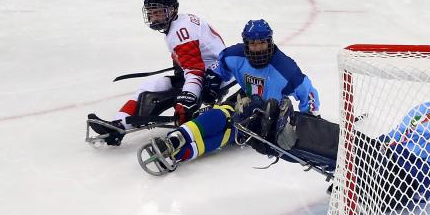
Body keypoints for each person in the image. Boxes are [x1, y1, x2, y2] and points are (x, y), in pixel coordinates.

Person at [138, 84, 430, 215]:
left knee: (345, 144)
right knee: (347, 147)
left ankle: (286, 127)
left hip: (414, 178)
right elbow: (397, 138)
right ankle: (269, 136)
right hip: (392, 163)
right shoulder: (428, 110)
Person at [134, 19, 320, 169]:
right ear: (246, 44)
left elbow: (309, 94)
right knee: (229, 131)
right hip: (246, 100)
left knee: (227, 119)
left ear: (270, 42)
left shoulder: (285, 68)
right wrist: (212, 83)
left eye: (262, 43)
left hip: (269, 117)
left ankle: (176, 140)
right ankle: (179, 152)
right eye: (253, 44)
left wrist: (308, 119)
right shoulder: (234, 55)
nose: (258, 48)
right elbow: (219, 67)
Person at [86, 0, 226, 145]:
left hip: (213, 78)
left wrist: (188, 98)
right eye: (151, 13)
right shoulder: (179, 23)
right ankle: (118, 124)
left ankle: (121, 125)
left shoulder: (180, 31)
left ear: (172, 10)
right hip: (207, 70)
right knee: (149, 86)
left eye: (158, 12)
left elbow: (195, 70)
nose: (153, 17)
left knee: (157, 96)